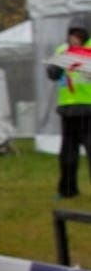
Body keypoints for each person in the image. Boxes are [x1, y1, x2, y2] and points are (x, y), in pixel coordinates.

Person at [46, 18, 91, 198]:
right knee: (67, 155)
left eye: (79, 34)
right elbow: (52, 74)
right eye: (73, 34)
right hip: (68, 109)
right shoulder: (62, 50)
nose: (76, 38)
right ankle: (67, 190)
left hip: (88, 108)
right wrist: (65, 57)